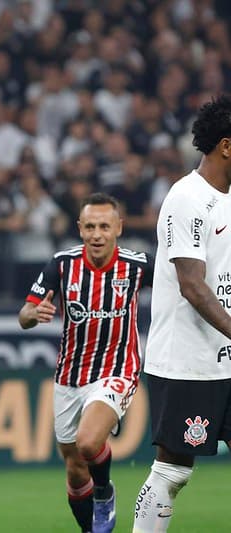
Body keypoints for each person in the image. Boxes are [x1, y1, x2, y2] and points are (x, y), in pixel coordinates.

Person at [18, 192, 153, 533]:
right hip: (70, 376)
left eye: (104, 226)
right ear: (80, 228)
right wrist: (34, 314)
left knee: (89, 441)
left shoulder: (137, 266)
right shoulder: (62, 264)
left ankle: (105, 493)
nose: (97, 234)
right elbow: (24, 315)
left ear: (118, 228)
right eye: (90, 226)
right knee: (76, 469)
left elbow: (181, 286)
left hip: (118, 369)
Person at [132, 95, 231, 532]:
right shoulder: (186, 199)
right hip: (187, 361)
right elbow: (192, 285)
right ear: (226, 146)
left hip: (226, 356)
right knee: (174, 469)